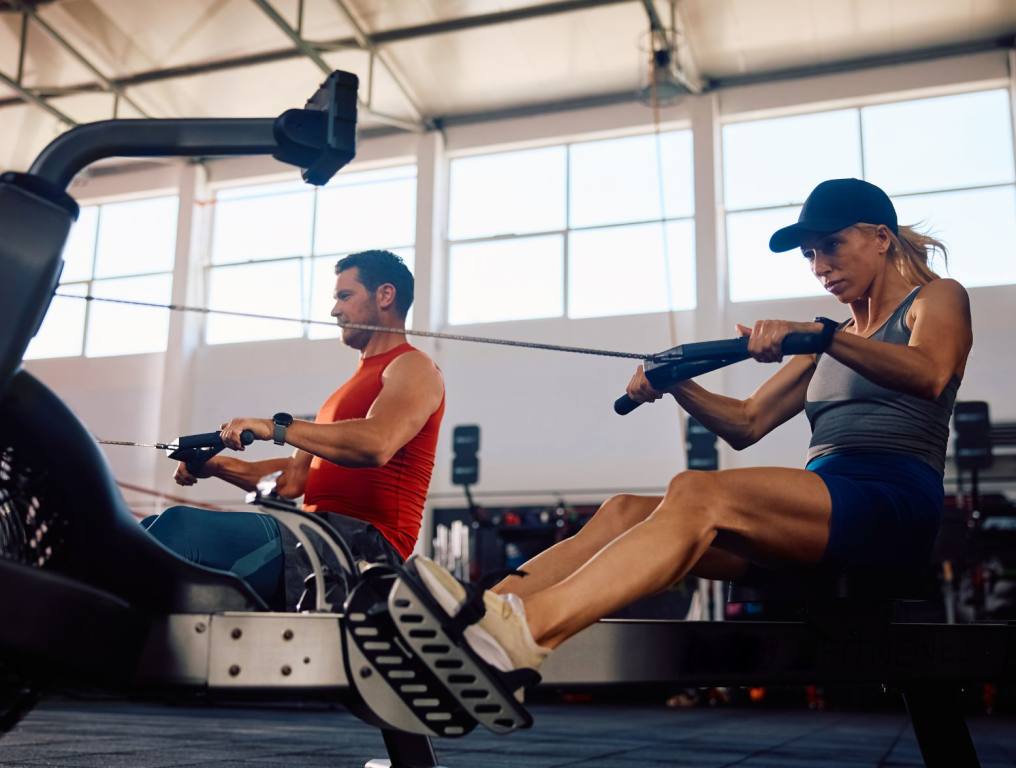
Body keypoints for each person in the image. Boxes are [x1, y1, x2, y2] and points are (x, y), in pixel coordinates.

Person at [411, 177, 973, 677]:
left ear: (880, 236)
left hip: (890, 505)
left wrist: (824, 335)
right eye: (809, 254)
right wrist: (677, 382)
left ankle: (525, 633)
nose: (819, 265)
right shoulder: (832, 338)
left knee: (696, 491)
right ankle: (479, 614)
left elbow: (930, 373)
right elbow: (747, 423)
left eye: (831, 246)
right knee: (623, 511)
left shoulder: (935, 299)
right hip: (821, 519)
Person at [144, 249, 445, 607]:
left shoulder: (412, 368)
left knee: (179, 529)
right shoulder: (342, 394)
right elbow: (291, 481)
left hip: (360, 549)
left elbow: (377, 442)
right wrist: (210, 465)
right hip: (316, 535)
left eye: (345, 296)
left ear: (385, 295)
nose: (334, 310)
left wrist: (275, 428)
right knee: (147, 528)